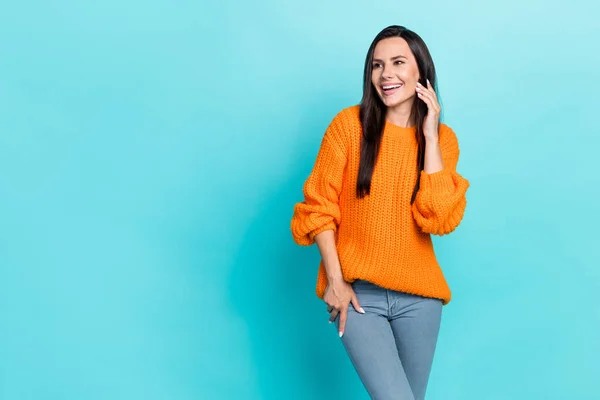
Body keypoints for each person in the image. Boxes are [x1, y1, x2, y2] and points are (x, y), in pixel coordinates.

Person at [290, 25, 470, 399]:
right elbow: (319, 208)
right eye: (377, 65)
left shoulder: (443, 140)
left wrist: (431, 137)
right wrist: (336, 283)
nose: (386, 74)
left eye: (398, 62)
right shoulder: (348, 127)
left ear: (421, 71)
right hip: (360, 297)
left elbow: (437, 218)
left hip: (421, 301)